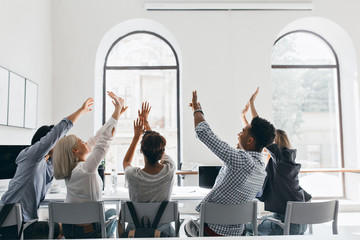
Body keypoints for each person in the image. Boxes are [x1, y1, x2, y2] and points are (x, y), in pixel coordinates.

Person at [185, 90, 276, 237]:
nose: (239, 134)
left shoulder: (241, 161)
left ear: (250, 140)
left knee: (187, 225)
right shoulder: (261, 169)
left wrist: (197, 110)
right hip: (239, 233)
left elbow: (204, 133)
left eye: (242, 131)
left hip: (213, 231)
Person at [0, 97, 93, 239]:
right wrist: (81, 110)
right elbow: (58, 132)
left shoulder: (49, 164)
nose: (61, 144)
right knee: (66, 228)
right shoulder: (31, 157)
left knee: (68, 226)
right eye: (58, 141)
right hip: (10, 224)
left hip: (26, 223)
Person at [52, 91, 127, 239]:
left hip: (69, 229)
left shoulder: (72, 170)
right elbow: (104, 141)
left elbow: (97, 137)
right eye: (82, 141)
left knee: (110, 213)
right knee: (114, 214)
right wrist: (117, 111)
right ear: (75, 150)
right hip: (89, 231)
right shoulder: (86, 170)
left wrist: (115, 115)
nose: (86, 142)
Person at [243, 88, 312, 235]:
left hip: (286, 225)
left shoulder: (280, 160)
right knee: (256, 220)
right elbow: (254, 136)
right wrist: (243, 117)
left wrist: (252, 104)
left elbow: (260, 132)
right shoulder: (288, 160)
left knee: (245, 227)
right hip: (300, 223)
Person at [120, 102, 176, 236]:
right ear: (161, 151)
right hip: (163, 233)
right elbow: (159, 148)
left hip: (135, 233)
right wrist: (146, 123)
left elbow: (126, 161)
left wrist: (136, 137)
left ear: (141, 151)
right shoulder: (170, 169)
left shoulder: (132, 175)